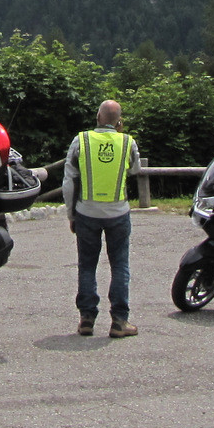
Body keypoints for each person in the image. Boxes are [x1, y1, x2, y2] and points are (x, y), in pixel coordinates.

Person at [63, 99, 141, 339]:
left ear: (97, 117)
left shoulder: (81, 141)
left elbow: (68, 183)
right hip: (118, 211)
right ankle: (119, 321)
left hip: (87, 212)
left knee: (87, 265)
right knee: (120, 264)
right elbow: (135, 170)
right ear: (119, 121)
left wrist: (71, 214)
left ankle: (86, 318)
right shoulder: (127, 142)